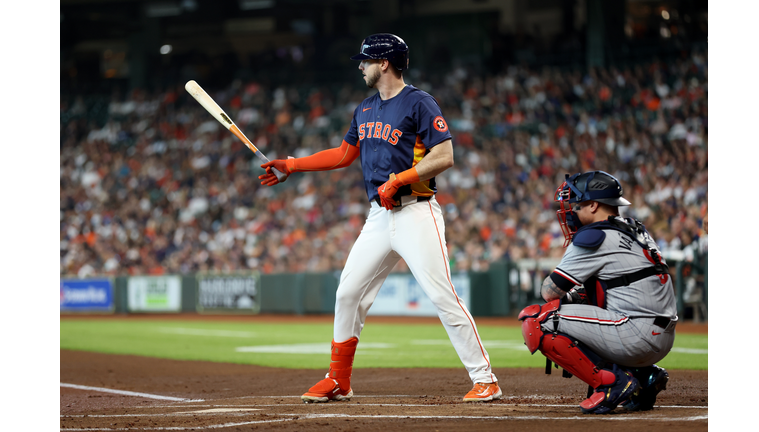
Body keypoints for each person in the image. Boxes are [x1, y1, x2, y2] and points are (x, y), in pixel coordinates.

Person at [259, 33, 501, 403]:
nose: (361, 66)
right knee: (348, 293)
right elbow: (343, 154)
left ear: (384, 63)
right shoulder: (366, 108)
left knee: (442, 295)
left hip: (416, 213)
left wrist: (401, 179)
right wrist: (292, 164)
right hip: (379, 216)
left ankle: (486, 379)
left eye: (366, 60)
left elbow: (445, 155)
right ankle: (338, 379)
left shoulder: (419, 102)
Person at [518, 171, 677, 414]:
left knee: (538, 320)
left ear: (593, 205)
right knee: (587, 305)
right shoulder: (636, 229)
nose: (571, 211)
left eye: (576, 204)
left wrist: (569, 294)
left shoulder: (596, 235)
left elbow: (549, 291)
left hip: (636, 334)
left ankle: (612, 384)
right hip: (661, 335)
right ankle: (643, 377)